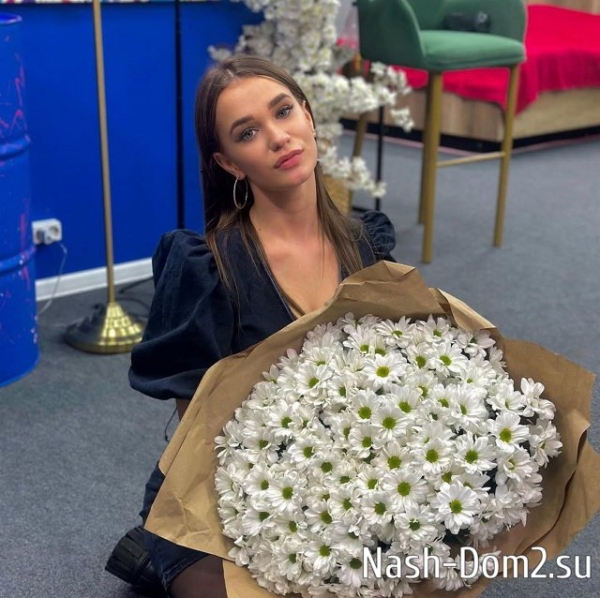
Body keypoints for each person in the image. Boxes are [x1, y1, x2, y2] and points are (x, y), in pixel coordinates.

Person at [105, 54, 397, 598]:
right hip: (229, 499)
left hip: (351, 488)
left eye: (283, 112)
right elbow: (202, 440)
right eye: (248, 133)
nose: (278, 137)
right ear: (230, 163)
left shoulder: (367, 246)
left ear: (308, 116)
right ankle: (157, 551)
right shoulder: (207, 269)